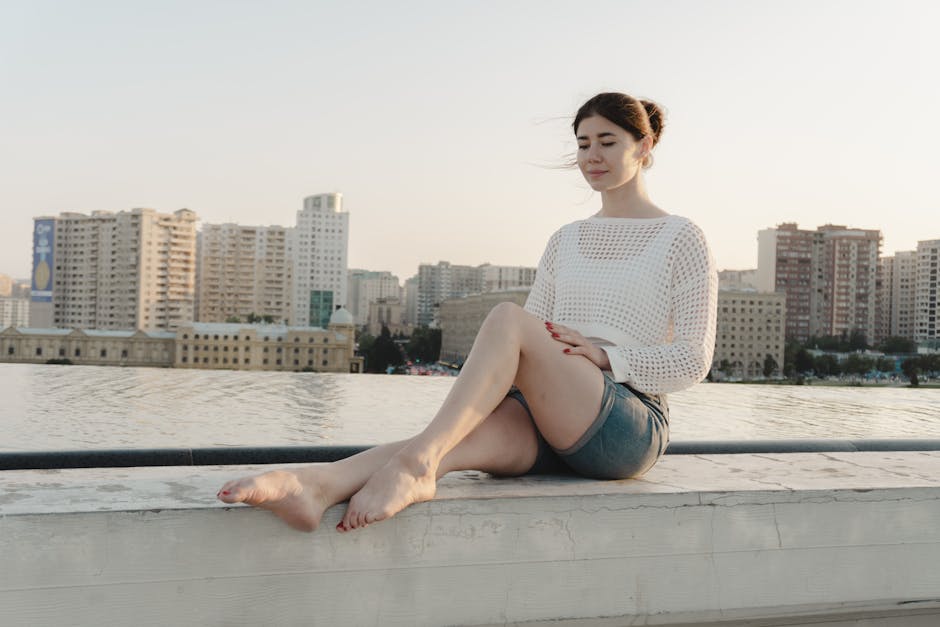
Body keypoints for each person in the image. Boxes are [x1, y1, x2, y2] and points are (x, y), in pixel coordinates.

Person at [217, 91, 718, 533]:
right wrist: (497, 408)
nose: (592, 156)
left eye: (607, 142)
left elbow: (693, 361)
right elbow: (530, 346)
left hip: (626, 424)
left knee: (504, 318)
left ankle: (413, 467)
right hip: (550, 420)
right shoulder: (567, 240)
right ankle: (313, 486)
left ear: (644, 146)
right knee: (443, 444)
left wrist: (607, 357)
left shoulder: (680, 237)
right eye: (583, 144)